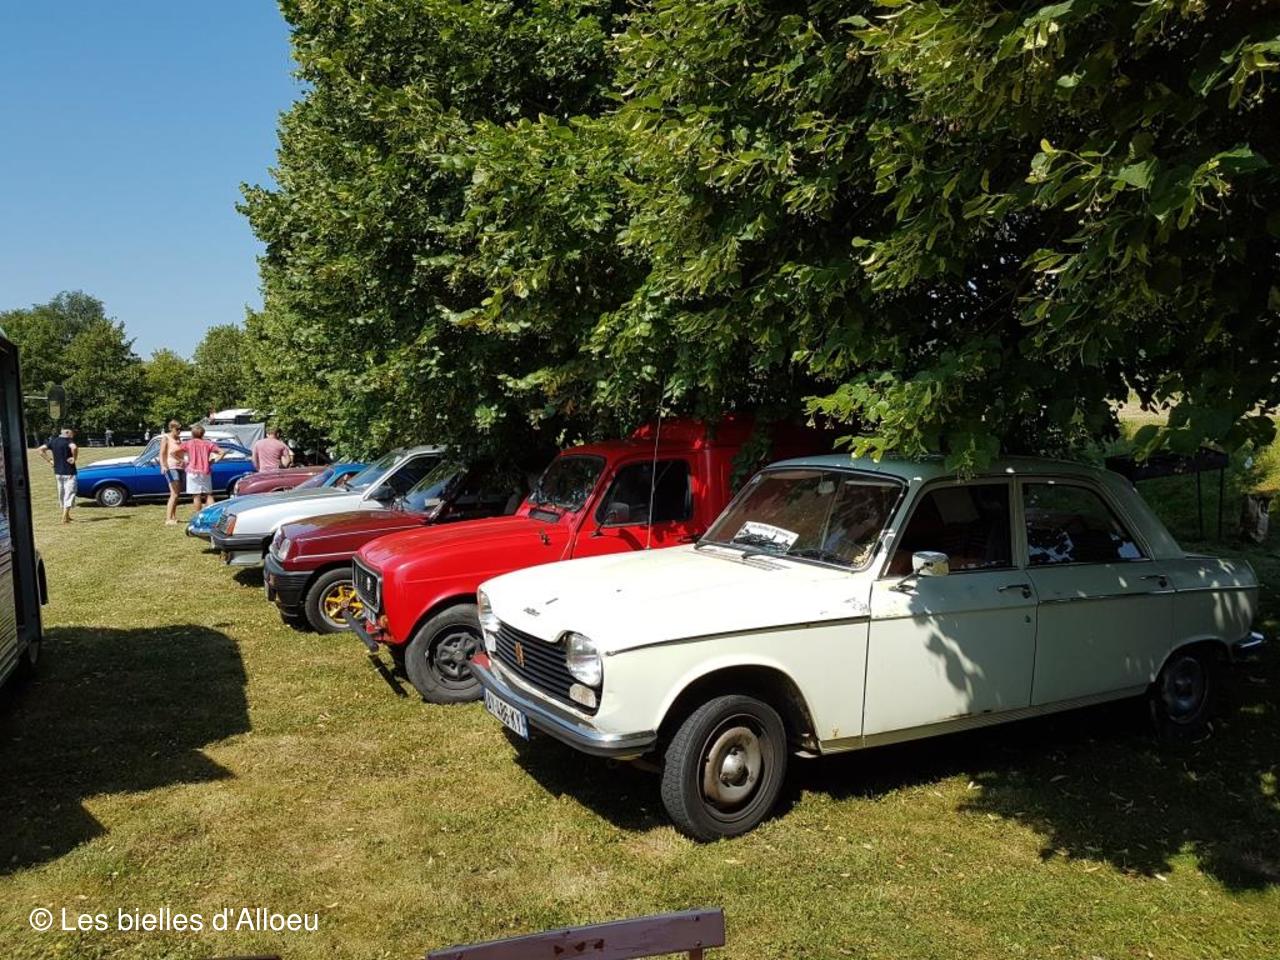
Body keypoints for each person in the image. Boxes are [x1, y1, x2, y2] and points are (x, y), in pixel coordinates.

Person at [37, 428, 78, 524]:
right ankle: (64, 517)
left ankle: (67, 515)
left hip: (58, 472)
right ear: (67, 432)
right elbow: (74, 448)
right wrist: (74, 458)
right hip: (69, 472)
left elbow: (40, 449)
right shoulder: (68, 441)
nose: (73, 435)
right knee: (70, 493)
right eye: (72, 433)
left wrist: (50, 460)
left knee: (62, 493)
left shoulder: (53, 441)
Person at [181, 425, 225, 515]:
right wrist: (213, 461)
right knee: (208, 494)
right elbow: (222, 452)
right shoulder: (208, 443)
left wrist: (183, 461)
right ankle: (212, 514)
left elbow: (174, 452)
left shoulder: (188, 443)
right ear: (203, 434)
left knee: (196, 496)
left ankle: (199, 515)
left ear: (192, 434)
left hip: (192, 471)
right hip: (205, 471)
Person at [158, 420, 185, 525]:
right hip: (171, 467)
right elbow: (162, 453)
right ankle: (168, 519)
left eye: (180, 429)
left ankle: (173, 517)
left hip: (180, 467)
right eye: (177, 429)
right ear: (171, 428)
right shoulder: (166, 438)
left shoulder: (178, 439)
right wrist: (163, 465)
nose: (179, 431)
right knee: (174, 493)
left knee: (177, 493)